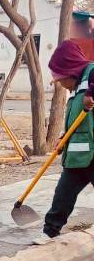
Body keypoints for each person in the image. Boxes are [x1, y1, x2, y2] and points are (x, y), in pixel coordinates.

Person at [33, 40, 94, 245]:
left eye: (60, 78)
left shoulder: (91, 74)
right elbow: (78, 121)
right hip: (77, 157)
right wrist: (64, 139)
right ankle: (50, 231)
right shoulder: (76, 89)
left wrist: (92, 92)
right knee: (63, 194)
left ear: (71, 70)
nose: (59, 83)